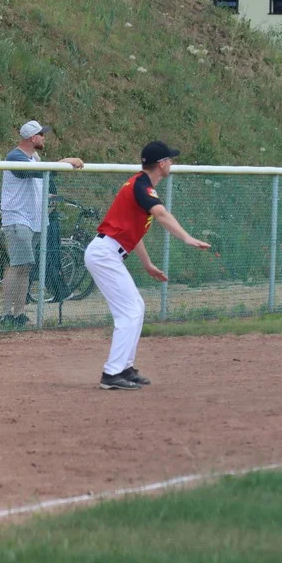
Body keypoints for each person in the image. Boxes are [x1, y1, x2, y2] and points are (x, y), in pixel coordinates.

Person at [84, 141, 211, 390]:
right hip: (104, 254)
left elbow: (133, 234)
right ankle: (111, 374)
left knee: (135, 307)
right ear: (161, 164)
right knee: (129, 311)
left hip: (109, 251)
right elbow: (162, 214)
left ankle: (125, 368)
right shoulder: (143, 186)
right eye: (170, 160)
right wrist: (186, 237)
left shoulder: (139, 185)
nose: (171, 164)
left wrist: (148, 264)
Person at [0, 120, 84, 328]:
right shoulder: (15, 157)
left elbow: (39, 177)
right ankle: (6, 314)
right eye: (41, 135)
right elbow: (38, 172)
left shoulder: (33, 159)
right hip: (18, 219)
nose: (44, 138)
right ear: (33, 138)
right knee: (18, 265)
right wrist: (66, 161)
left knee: (25, 267)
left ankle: (18, 314)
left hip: (34, 220)